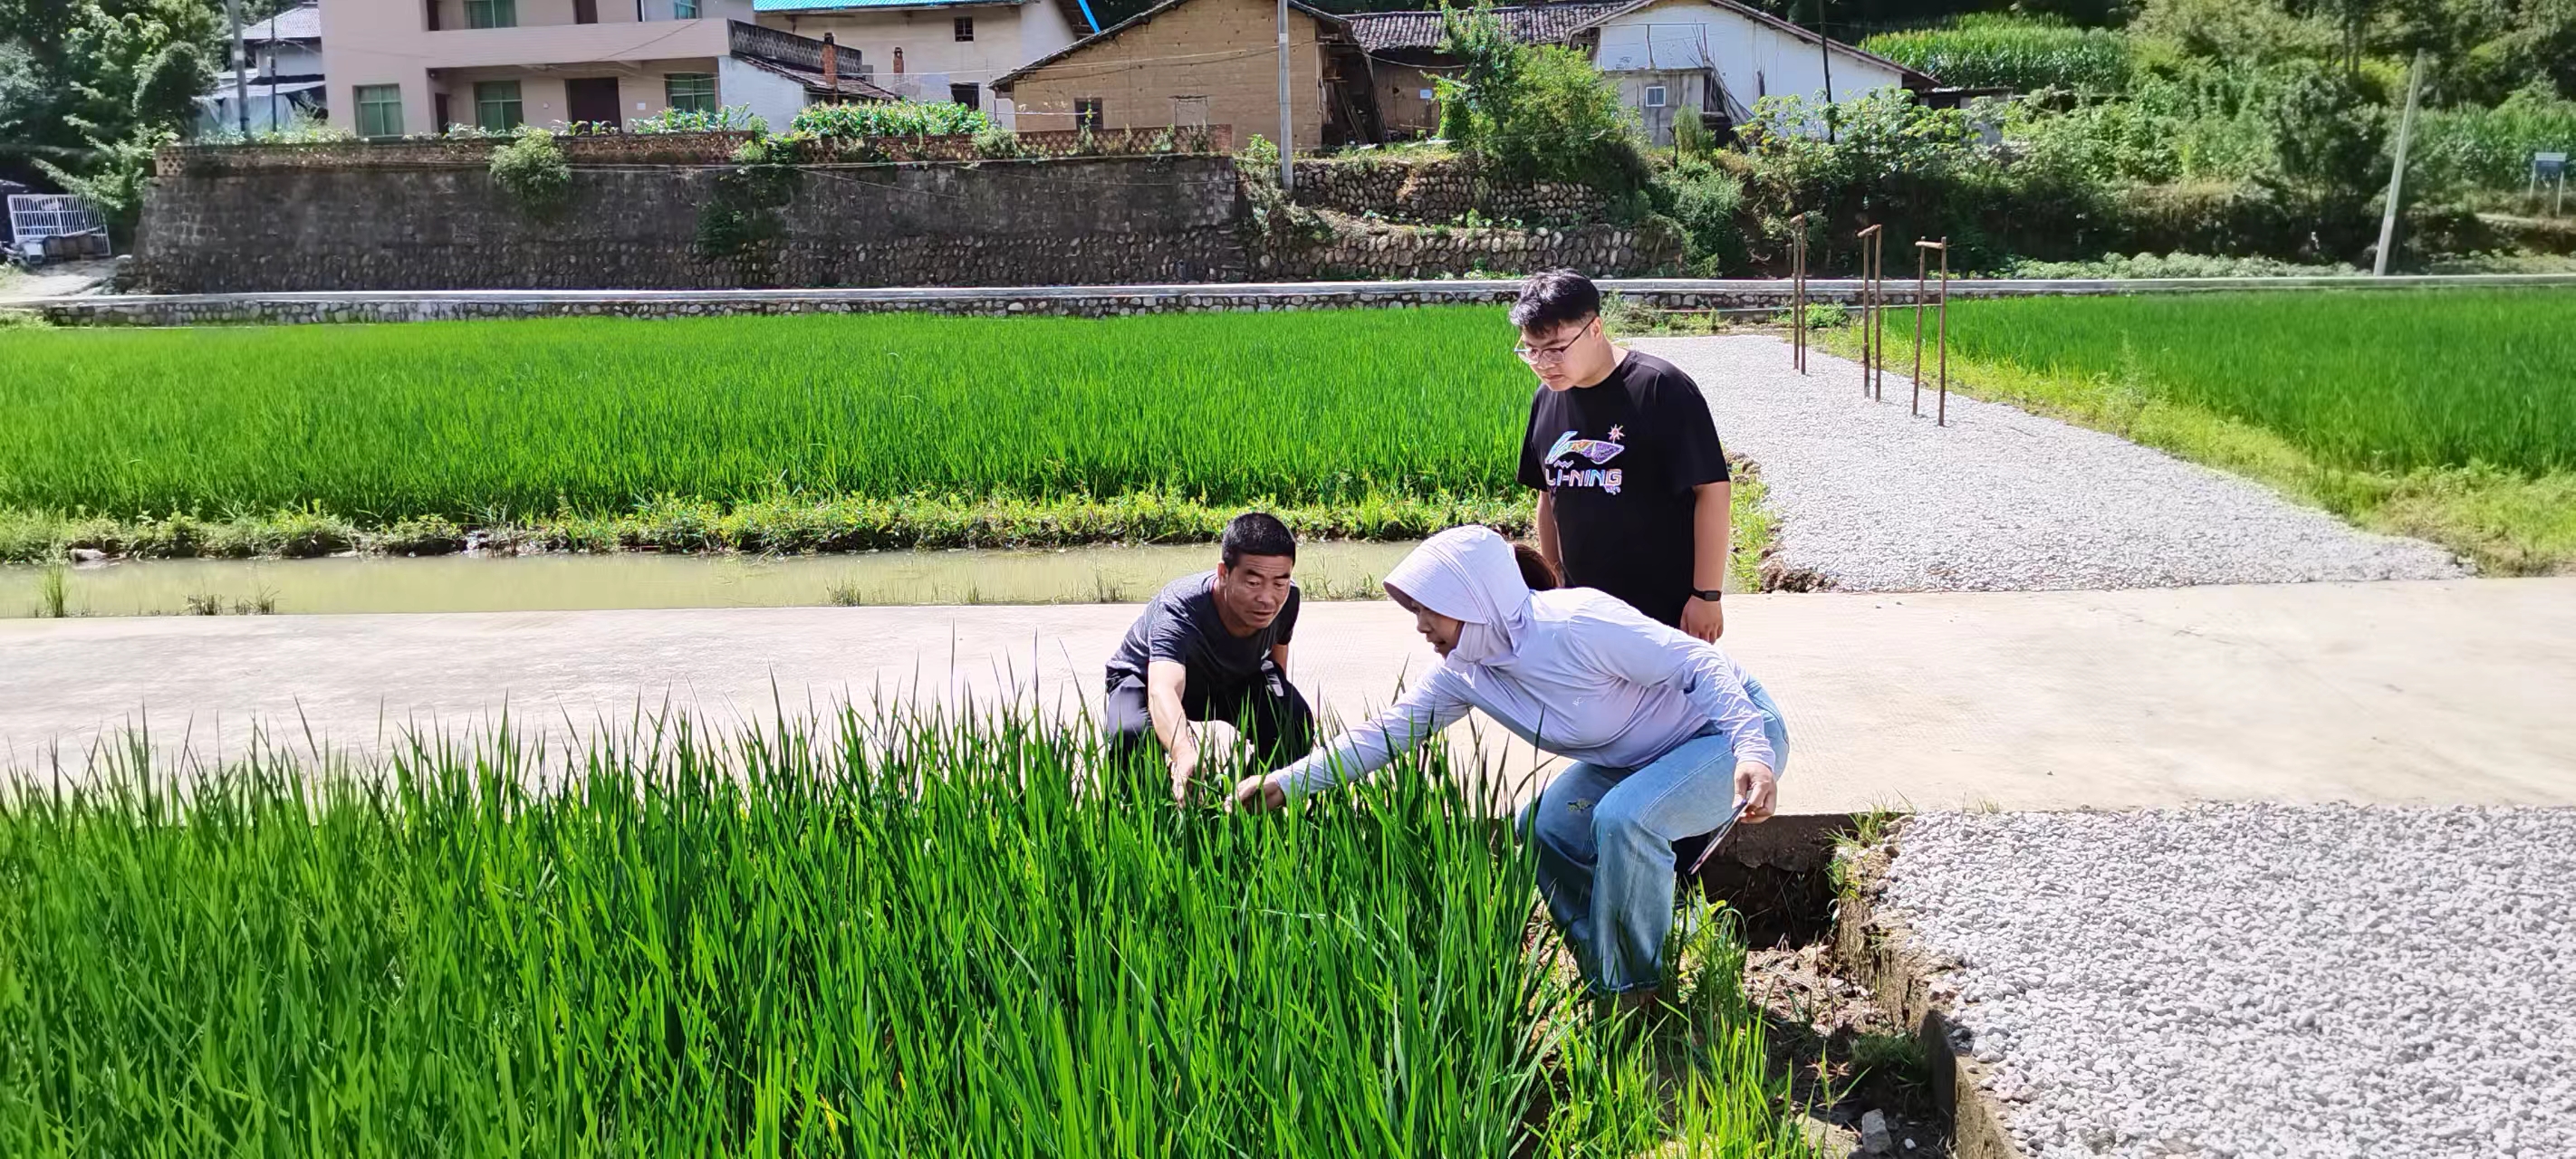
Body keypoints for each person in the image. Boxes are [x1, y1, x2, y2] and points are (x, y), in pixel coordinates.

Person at [1232, 525, 1784, 1008]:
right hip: (1637, 756)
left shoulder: (1573, 623)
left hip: (1725, 734)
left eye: (1429, 607)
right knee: (1542, 827)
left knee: (1624, 820)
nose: (1420, 624)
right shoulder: (1467, 671)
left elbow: (1699, 662)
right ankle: (1610, 967)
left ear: (1473, 598)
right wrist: (1286, 783)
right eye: (1415, 609)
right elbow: (1383, 735)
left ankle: (1638, 992)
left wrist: (1752, 752)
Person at [1514, 269, 1735, 642]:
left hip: (1661, 613)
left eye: (1555, 349)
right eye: (1530, 351)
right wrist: (1553, 591)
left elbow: (1712, 490)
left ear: (1595, 329)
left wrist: (1706, 595)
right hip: (1581, 613)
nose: (1543, 363)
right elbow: (1548, 496)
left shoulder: (1659, 387)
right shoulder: (1546, 398)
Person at [1104, 512, 1313, 800]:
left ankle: (1247, 808)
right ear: (1224, 573)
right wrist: (1183, 752)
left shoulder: (1289, 597)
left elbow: (1275, 662)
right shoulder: (1180, 605)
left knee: (1292, 720)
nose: (1267, 598)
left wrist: (1277, 714)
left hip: (1232, 679)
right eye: (1253, 583)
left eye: (1279, 582)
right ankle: (1151, 824)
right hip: (1144, 679)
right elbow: (1163, 688)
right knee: (1131, 734)